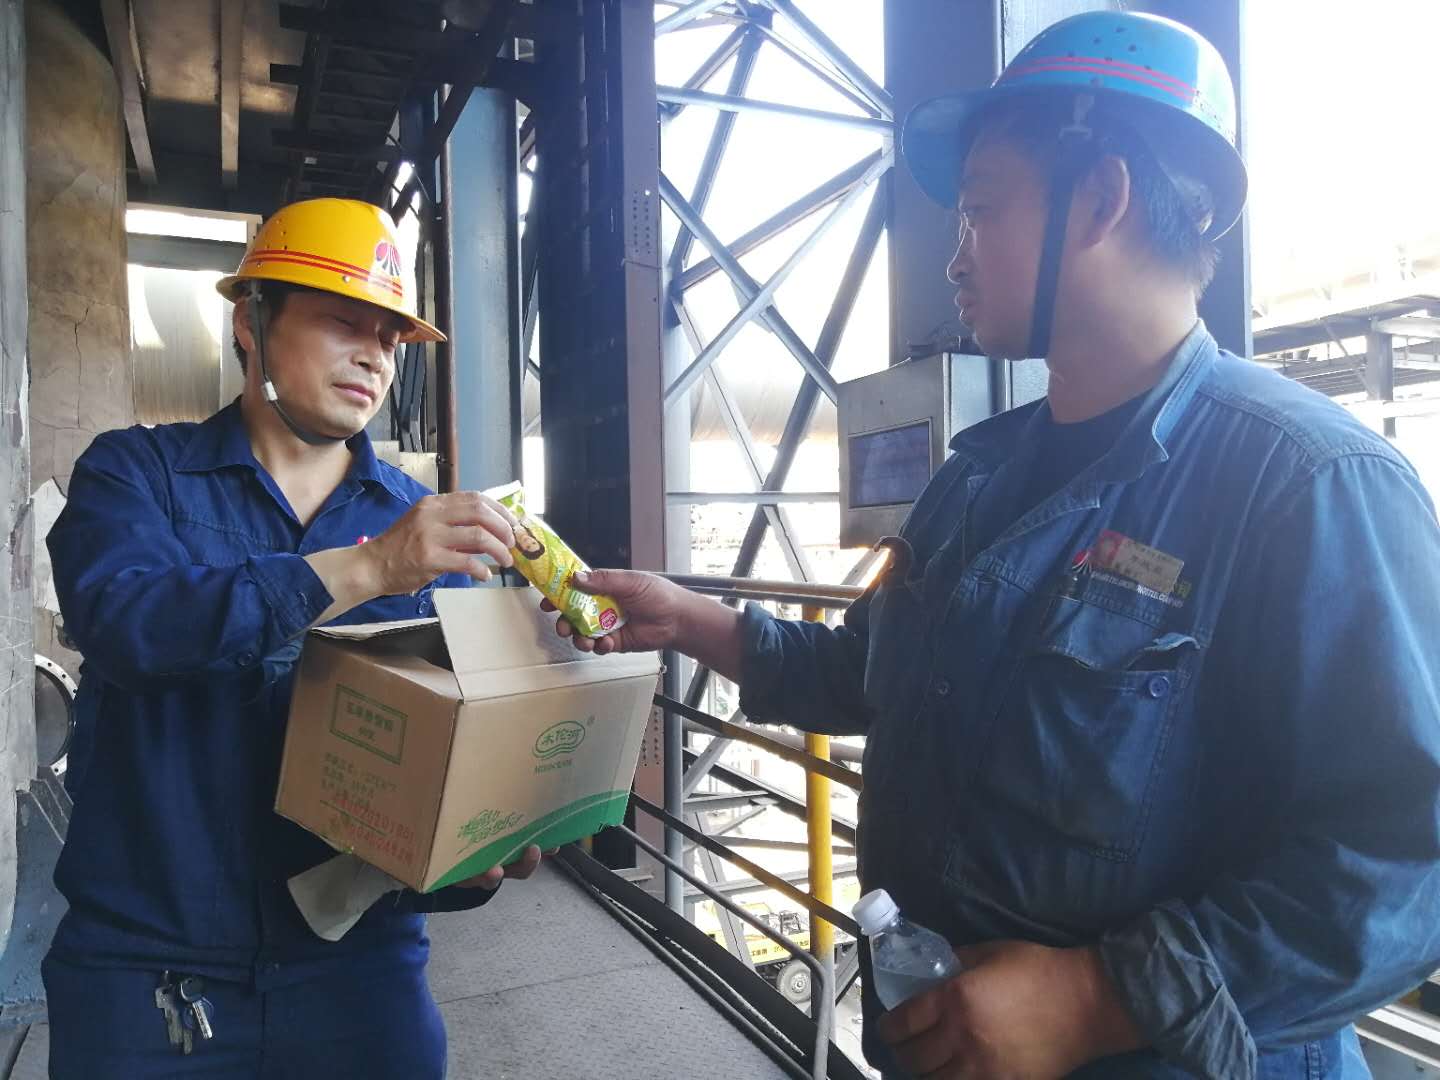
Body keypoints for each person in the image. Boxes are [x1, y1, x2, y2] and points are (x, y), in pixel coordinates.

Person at [548, 12, 1440, 1079]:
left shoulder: (1306, 484)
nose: (955, 255)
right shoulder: (978, 475)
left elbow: (1405, 863)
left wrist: (1101, 999)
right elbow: (867, 675)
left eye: (980, 210)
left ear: (1100, 198)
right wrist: (690, 619)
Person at [44, 197, 543, 1077]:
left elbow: (447, 744)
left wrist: (478, 842)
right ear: (252, 321)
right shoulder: (137, 474)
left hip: (357, 970)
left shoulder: (424, 529)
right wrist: (367, 569)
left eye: (389, 336)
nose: (374, 355)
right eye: (344, 322)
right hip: (149, 969)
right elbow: (127, 627)